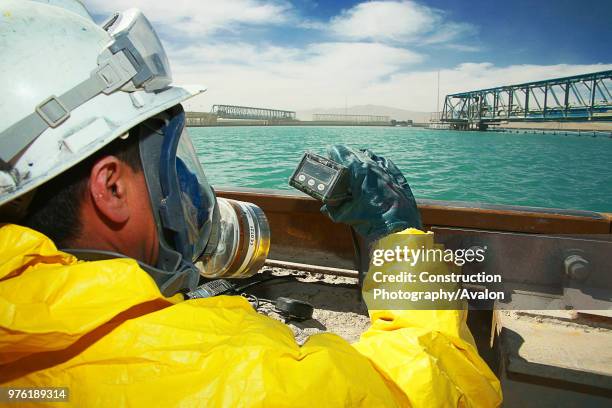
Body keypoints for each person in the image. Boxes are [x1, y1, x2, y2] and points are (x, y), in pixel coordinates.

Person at [0, 1, 502, 406]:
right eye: (169, 166)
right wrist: (397, 238)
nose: (184, 188)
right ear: (110, 189)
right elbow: (443, 387)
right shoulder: (232, 382)